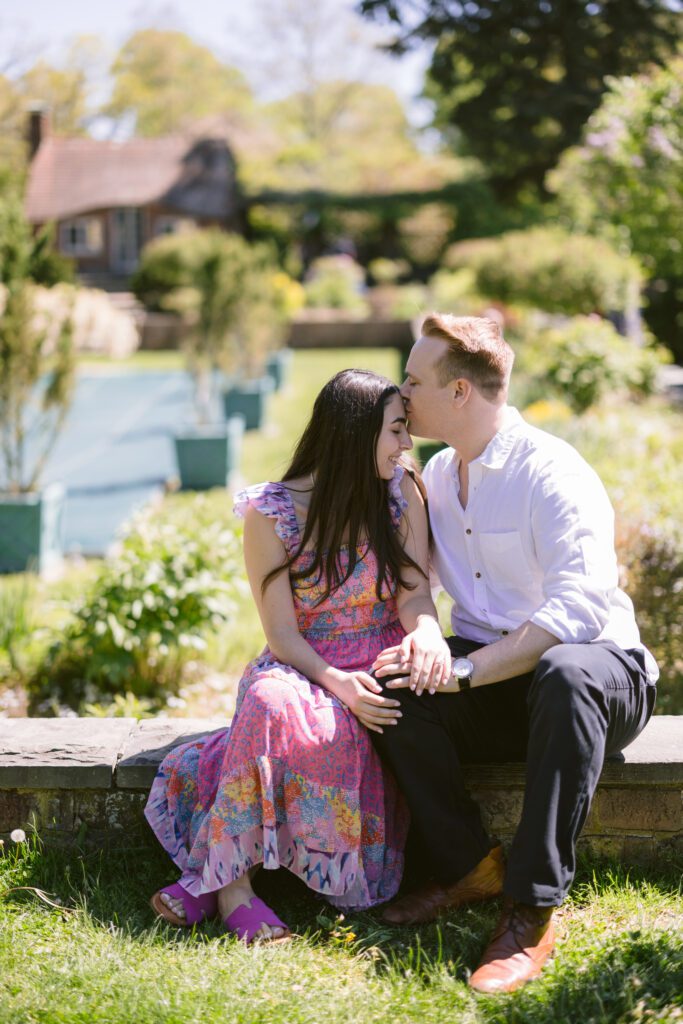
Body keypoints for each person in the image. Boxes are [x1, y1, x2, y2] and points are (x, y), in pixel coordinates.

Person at [371, 314, 658, 994]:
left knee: (562, 674)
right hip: (500, 674)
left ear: (461, 392)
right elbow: (418, 588)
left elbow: (577, 612)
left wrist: (466, 670)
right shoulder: (438, 476)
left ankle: (530, 909)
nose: (402, 393)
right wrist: (426, 642)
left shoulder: (551, 471)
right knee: (390, 693)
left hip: (597, 673)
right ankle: (468, 868)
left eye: (413, 381)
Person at [146, 368, 450, 943]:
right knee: (267, 701)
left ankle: (207, 881)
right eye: (395, 431)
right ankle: (234, 887)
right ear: (355, 436)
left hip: (379, 659)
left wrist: (427, 633)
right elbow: (281, 633)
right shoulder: (270, 512)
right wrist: (339, 683)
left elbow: (413, 593)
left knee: (331, 725)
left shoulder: (400, 492)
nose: (407, 444)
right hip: (303, 661)